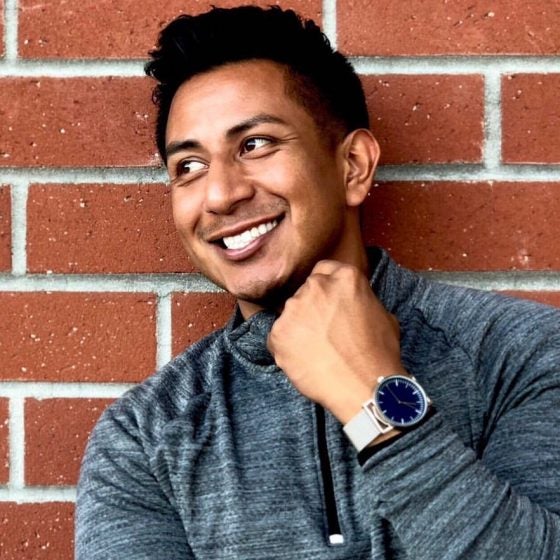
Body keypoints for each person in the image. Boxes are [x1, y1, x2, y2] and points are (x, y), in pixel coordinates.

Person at [75, 6, 560, 559]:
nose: (220, 194)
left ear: (353, 165)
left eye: (255, 144)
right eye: (189, 166)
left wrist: (371, 397)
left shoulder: (522, 355)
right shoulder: (143, 438)